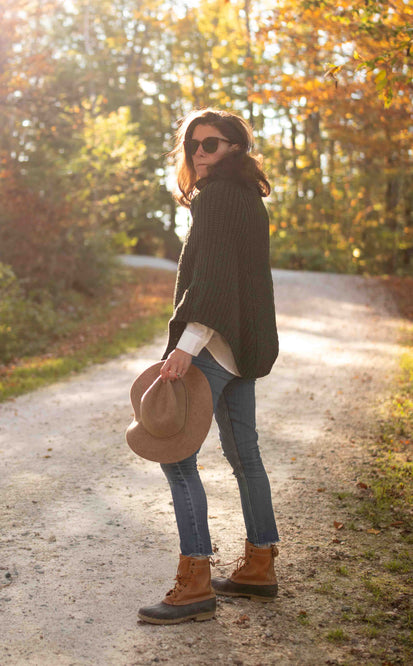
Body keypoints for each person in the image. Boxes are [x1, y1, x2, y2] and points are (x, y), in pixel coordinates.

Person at [138, 108, 280, 625]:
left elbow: (214, 281)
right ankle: (260, 563)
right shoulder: (245, 197)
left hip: (214, 345)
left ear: (236, 149)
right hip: (243, 346)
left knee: (176, 456)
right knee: (246, 455)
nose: (200, 151)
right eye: (194, 143)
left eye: (212, 143)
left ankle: (195, 579)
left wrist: (186, 346)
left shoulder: (218, 198)